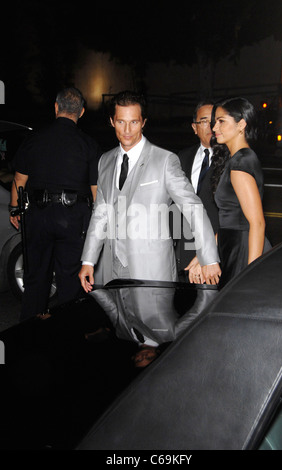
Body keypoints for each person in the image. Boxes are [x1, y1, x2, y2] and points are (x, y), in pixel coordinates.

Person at [79, 90, 221, 367]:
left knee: (158, 328)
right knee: (122, 332)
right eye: (121, 122)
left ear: (144, 122)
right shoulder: (105, 160)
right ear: (112, 122)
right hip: (112, 265)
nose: (127, 130)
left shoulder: (164, 160)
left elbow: (193, 207)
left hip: (151, 269)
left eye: (134, 122)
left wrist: (208, 257)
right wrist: (88, 260)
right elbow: (101, 213)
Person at [9, 87, 102, 321]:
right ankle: (66, 335)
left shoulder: (34, 140)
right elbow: (96, 192)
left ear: (56, 107)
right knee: (70, 280)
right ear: (81, 112)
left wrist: (14, 209)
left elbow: (19, 180)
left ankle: (29, 335)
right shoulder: (88, 144)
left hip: (37, 217)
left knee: (35, 278)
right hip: (73, 218)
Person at [210, 96, 271, 287]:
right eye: (215, 122)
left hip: (242, 249)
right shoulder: (238, 159)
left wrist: (250, 273)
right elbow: (230, 216)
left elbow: (257, 223)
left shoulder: (240, 162)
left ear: (241, 124)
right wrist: (205, 253)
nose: (214, 128)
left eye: (221, 122)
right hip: (233, 246)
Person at [174, 100, 219, 282]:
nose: (210, 126)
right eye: (204, 121)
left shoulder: (232, 159)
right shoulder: (181, 158)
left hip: (217, 249)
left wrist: (209, 253)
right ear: (194, 127)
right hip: (184, 248)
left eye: (215, 120)